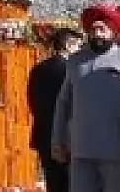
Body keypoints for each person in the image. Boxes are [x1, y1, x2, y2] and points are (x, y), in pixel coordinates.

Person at [51, 1, 120, 192]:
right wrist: (57, 139)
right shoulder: (75, 62)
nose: (98, 34)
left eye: (102, 29)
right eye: (94, 29)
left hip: (119, 151)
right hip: (82, 150)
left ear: (113, 31)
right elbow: (63, 102)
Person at [28, 28, 83, 192]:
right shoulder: (72, 70)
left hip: (44, 135)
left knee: (54, 183)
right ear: (68, 45)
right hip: (70, 137)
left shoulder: (38, 70)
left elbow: (33, 101)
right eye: (78, 46)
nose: (80, 50)